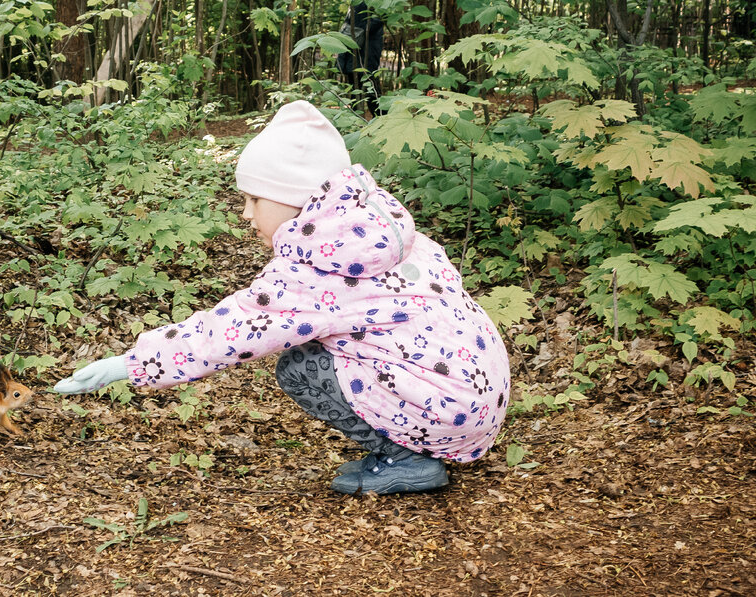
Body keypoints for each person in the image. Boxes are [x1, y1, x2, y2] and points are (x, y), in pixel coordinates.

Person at [54, 101, 511, 495]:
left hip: (448, 407)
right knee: (318, 349)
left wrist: (129, 365)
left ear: (297, 198)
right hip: (478, 394)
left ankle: (406, 461)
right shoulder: (380, 232)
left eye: (256, 199)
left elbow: (232, 329)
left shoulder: (320, 268)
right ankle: (414, 444)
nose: (246, 214)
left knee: (300, 367)